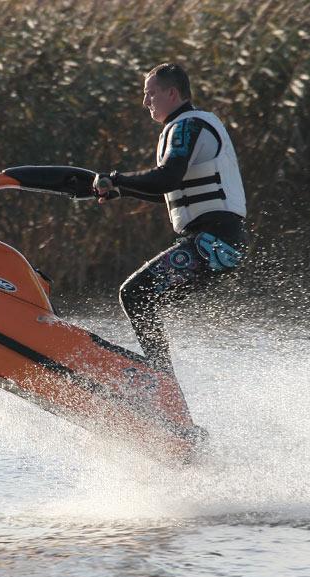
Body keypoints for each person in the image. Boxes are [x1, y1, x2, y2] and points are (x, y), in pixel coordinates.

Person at [92, 63, 248, 375]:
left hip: (213, 243)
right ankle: (161, 381)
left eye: (151, 94)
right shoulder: (186, 127)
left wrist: (115, 178)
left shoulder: (187, 126)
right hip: (218, 245)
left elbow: (166, 178)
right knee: (145, 300)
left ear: (172, 93)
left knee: (135, 293)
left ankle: (160, 377)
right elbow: (171, 190)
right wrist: (121, 190)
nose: (145, 102)